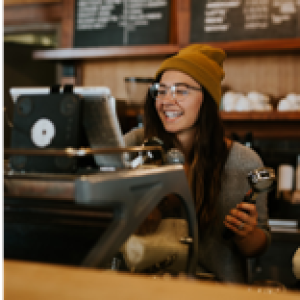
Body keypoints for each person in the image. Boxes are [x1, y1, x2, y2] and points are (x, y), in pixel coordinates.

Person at [124, 44, 270, 283]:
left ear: (207, 100)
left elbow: (258, 247)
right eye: (161, 91)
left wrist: (247, 234)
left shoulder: (243, 161)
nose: (166, 101)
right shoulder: (133, 146)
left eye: (181, 91)